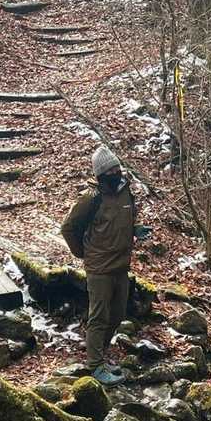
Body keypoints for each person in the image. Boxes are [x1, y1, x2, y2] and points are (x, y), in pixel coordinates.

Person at [61, 144, 145, 385]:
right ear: (101, 174)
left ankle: (101, 355)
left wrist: (135, 229)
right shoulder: (91, 197)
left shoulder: (126, 190)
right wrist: (83, 253)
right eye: (111, 170)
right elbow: (68, 228)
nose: (116, 173)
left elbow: (124, 219)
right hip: (99, 268)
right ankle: (95, 366)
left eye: (117, 168)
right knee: (99, 317)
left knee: (117, 315)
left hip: (121, 266)